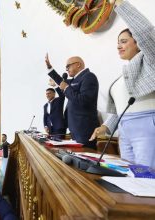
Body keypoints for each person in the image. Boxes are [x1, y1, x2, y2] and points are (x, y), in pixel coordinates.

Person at [90, 0, 155, 167]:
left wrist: (119, 4)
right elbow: (122, 109)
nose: (119, 46)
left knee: (147, 180)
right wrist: (105, 127)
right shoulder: (123, 76)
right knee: (131, 179)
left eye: (124, 41)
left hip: (147, 128)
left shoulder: (150, 62)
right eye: (118, 42)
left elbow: (146, 32)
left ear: (138, 43)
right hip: (124, 131)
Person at [46, 54, 99, 149]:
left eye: (68, 66)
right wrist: (50, 68)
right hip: (75, 128)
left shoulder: (88, 77)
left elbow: (83, 100)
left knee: (85, 158)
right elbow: (61, 82)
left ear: (78, 64)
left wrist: (66, 88)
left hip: (84, 129)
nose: (66, 69)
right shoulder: (75, 80)